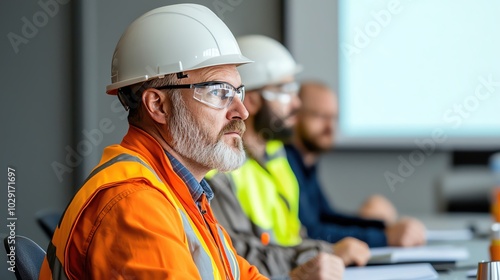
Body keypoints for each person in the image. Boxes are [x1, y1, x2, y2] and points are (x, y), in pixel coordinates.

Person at [39, 4, 267, 279]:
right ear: (158, 106)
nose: (242, 112)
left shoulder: (184, 195)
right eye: (219, 92)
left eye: (238, 92)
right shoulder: (135, 205)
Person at [207, 35, 369, 279]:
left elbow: (295, 233)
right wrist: (321, 252)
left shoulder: (276, 154)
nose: (297, 103)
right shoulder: (217, 168)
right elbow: (235, 255)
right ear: (251, 100)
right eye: (285, 91)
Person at [285, 81, 427, 248]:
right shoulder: (284, 162)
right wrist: (384, 237)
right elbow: (309, 232)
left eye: (333, 118)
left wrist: (382, 226)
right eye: (320, 116)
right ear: (294, 116)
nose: (330, 127)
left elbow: (326, 216)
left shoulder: (307, 164)